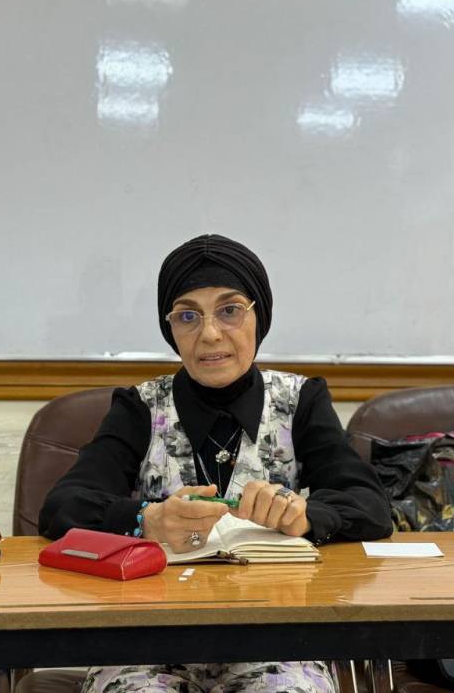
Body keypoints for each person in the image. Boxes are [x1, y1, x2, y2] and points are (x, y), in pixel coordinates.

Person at [37, 233, 393, 693]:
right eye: (188, 316)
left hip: (276, 640)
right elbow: (62, 506)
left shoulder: (300, 401)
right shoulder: (140, 408)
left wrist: (305, 515)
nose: (209, 334)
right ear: (170, 329)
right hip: (145, 641)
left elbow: (370, 505)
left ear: (259, 317)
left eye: (229, 310)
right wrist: (146, 518)